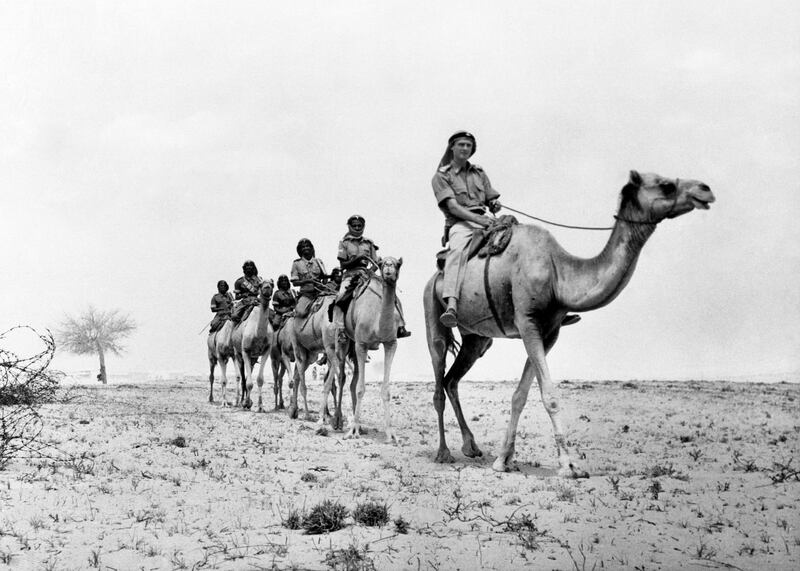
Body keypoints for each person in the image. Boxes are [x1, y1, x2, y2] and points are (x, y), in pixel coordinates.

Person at [433, 130, 579, 329]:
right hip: (461, 224)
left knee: (523, 243)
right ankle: (451, 304)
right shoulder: (442, 176)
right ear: (452, 147)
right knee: (457, 251)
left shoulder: (479, 173)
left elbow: (489, 197)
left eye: (468, 145)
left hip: (486, 219)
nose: (465, 149)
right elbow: (452, 207)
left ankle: (553, 308)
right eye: (461, 145)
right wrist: (478, 219)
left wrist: (493, 204)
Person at [331, 214, 410, 338]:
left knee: (390, 293)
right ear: (349, 227)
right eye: (354, 225)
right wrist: (358, 259)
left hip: (367, 275)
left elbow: (375, 262)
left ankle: (400, 325)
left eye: (360, 226)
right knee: (340, 297)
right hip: (350, 276)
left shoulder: (369, 243)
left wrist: (373, 270)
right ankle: (340, 329)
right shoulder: (344, 243)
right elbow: (342, 264)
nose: (357, 228)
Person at [290, 238, 327, 318]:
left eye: (307, 246)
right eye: (303, 247)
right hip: (306, 294)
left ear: (311, 248)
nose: (305, 248)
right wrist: (308, 281)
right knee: (300, 312)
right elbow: (295, 283)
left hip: (321, 293)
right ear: (300, 250)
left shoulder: (318, 261)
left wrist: (324, 286)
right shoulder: (296, 263)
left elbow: (324, 277)